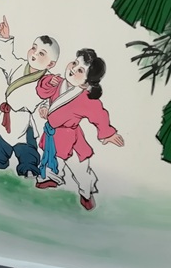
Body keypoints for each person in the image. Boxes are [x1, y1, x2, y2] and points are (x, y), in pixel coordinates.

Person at [34, 48, 124, 210]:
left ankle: (86, 193)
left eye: (80, 70)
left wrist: (107, 133)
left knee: (80, 168)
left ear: (86, 82)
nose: (73, 69)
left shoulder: (86, 98)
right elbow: (43, 93)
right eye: (75, 63)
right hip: (53, 133)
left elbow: (99, 115)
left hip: (71, 136)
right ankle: (51, 178)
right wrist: (44, 105)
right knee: (51, 157)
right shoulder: (58, 82)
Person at [0, 16, 60, 177]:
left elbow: (45, 98)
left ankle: (28, 167)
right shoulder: (18, 65)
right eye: (34, 48)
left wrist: (44, 109)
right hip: (8, 114)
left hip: (25, 118)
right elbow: (6, 58)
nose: (35, 54)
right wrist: (5, 38)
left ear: (50, 64)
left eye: (41, 53)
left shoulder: (47, 80)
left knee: (26, 147)